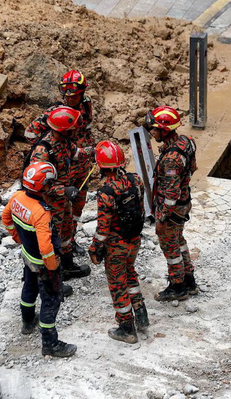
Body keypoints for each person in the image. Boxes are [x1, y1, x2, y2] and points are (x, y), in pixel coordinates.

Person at [2, 161, 77, 357]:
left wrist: (17, 238)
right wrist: (52, 268)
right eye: (49, 183)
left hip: (27, 256)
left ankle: (27, 322)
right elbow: (46, 246)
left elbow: (6, 217)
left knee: (29, 287)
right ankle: (50, 343)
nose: (51, 186)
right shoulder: (40, 212)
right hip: (43, 263)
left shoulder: (17, 197)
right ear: (43, 186)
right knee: (50, 300)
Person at [25, 70, 95, 256]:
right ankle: (54, 251)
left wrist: (88, 151)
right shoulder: (56, 112)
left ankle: (70, 241)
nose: (69, 98)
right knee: (59, 211)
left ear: (82, 92)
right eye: (66, 95)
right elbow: (30, 133)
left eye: (74, 95)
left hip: (81, 164)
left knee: (76, 208)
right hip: (64, 170)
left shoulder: (86, 107)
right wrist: (51, 152)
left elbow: (87, 132)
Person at [89, 140, 149, 344]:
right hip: (134, 240)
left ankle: (126, 328)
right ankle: (141, 315)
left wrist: (95, 248)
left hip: (116, 245)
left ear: (101, 166)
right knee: (130, 273)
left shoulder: (106, 192)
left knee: (117, 284)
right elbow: (141, 208)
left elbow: (103, 228)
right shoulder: (136, 180)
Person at [25, 106, 92, 281]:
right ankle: (53, 276)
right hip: (49, 204)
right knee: (52, 238)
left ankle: (68, 266)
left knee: (66, 233)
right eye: (73, 130)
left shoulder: (65, 142)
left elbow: (76, 154)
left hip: (63, 202)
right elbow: (37, 184)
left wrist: (93, 151)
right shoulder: (43, 150)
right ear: (64, 131)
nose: (76, 132)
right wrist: (64, 190)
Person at [144, 106, 199, 302]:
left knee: (170, 247)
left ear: (164, 130)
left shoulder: (170, 160)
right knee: (180, 240)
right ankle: (189, 280)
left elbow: (170, 195)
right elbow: (192, 168)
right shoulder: (186, 142)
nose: (152, 132)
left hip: (173, 209)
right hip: (185, 203)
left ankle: (178, 286)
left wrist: (161, 218)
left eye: (154, 129)